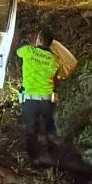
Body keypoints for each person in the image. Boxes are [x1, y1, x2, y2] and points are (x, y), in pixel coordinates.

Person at [16, 27, 60, 163]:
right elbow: (55, 78)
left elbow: (18, 52)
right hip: (47, 100)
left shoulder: (28, 51)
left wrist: (31, 46)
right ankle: (54, 157)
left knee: (30, 130)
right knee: (49, 128)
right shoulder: (54, 59)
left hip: (30, 100)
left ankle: (33, 159)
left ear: (38, 40)